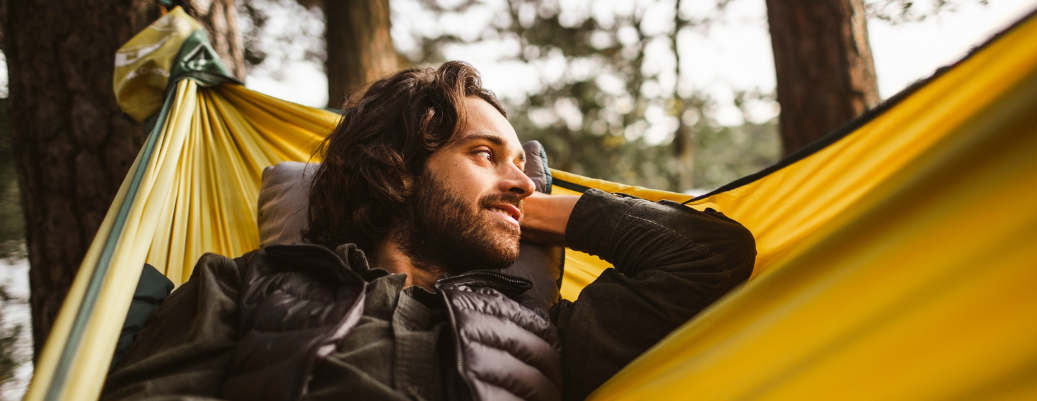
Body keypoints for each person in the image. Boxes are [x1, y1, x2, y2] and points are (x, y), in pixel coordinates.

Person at [102, 61, 755, 401]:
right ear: (400, 169)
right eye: (483, 153)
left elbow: (708, 254)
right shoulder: (245, 284)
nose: (522, 179)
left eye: (521, 165)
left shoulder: (543, 330)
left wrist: (526, 203)